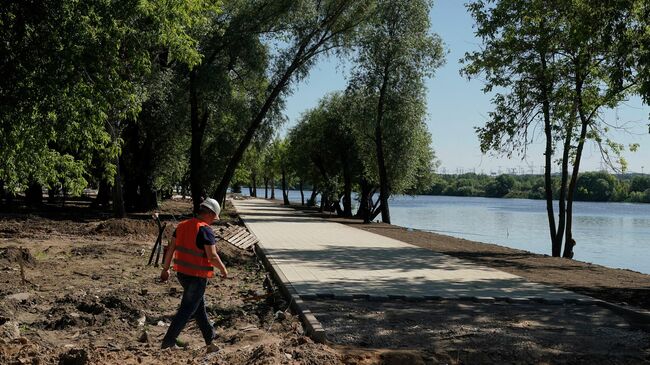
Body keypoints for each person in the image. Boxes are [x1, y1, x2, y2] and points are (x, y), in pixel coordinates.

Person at [160, 198, 228, 351]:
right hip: (197, 276)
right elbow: (212, 256)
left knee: (198, 307)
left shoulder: (182, 226)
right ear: (209, 213)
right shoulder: (205, 230)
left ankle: (210, 339)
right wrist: (223, 269)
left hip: (182, 274)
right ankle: (168, 342)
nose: (213, 221)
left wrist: (165, 268)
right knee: (187, 309)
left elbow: (171, 249)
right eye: (213, 217)